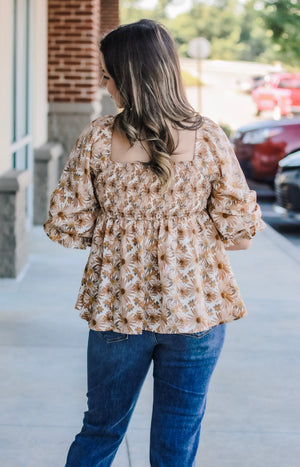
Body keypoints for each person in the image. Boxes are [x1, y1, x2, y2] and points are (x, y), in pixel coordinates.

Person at [44, 19, 265, 467]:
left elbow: (68, 226)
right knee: (177, 437)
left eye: (107, 76)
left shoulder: (97, 138)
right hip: (195, 312)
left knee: (100, 430)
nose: (104, 86)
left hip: (119, 310)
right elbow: (241, 233)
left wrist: (120, 231)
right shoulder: (209, 137)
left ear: (129, 77)